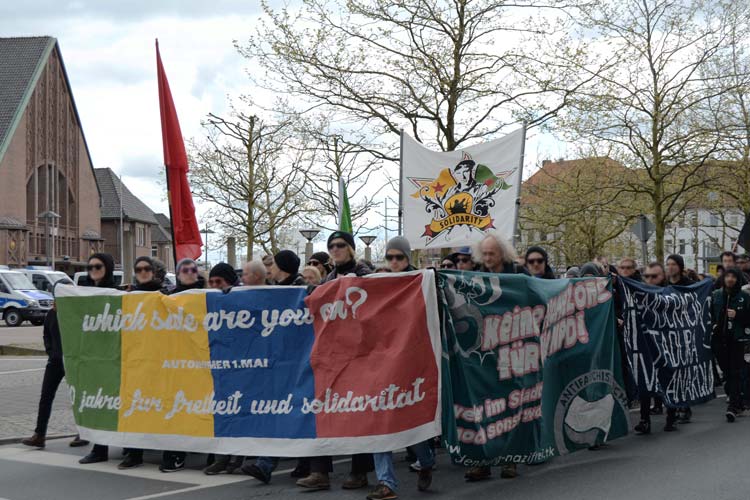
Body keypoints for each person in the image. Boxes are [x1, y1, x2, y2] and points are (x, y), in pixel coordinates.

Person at [297, 231, 374, 491]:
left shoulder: (366, 275)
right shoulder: (328, 279)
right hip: (332, 353)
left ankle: (359, 471)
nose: (335, 249)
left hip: (360, 353)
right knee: (323, 410)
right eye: (331, 246)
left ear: (351, 248)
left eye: (340, 245)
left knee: (357, 413)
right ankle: (320, 472)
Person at [366, 237, 435, 500]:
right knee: (379, 423)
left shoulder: (420, 281)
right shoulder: (377, 284)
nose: (394, 262)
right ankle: (387, 483)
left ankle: (426, 461)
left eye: (399, 257)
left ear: (408, 258)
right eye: (390, 257)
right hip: (381, 364)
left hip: (410, 363)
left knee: (410, 421)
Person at [465, 233, 526, 483]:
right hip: (484, 352)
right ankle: (483, 461)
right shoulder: (473, 278)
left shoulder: (518, 277)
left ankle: (510, 458)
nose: (488, 258)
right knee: (483, 407)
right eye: (485, 254)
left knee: (510, 404)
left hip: (513, 349)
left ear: (502, 253)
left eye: (492, 253)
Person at [244, 250, 309, 485]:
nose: (269, 268)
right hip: (277, 359)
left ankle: (297, 462)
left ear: (282, 267)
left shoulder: (299, 287)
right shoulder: (273, 287)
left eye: (273, 264)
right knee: (278, 411)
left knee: (293, 411)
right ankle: (266, 463)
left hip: (297, 359)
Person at [117, 257, 170, 470]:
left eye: (147, 268)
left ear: (155, 271)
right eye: (138, 269)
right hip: (137, 358)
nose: (142, 272)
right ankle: (134, 453)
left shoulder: (166, 295)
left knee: (163, 407)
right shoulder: (130, 296)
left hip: (161, 359)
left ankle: (168, 450)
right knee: (136, 407)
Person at [21, 296, 89, 449]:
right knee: (46, 396)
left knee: (79, 398)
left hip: (73, 362)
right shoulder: (51, 314)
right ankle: (40, 435)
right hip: (55, 362)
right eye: (55, 299)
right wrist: (51, 351)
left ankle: (84, 433)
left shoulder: (75, 313)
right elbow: (46, 334)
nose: (55, 303)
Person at [77, 254, 119, 465]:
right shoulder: (83, 292)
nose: (93, 269)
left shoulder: (115, 292)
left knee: (112, 403)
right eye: (90, 266)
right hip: (92, 357)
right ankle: (98, 448)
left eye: (98, 266)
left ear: (108, 268)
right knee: (97, 403)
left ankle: (121, 446)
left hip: (112, 357)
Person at [203, 263, 243, 475]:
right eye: (212, 282)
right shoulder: (208, 301)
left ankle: (238, 456)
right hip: (218, 365)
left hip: (241, 366)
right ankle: (223, 457)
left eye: (219, 282)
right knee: (222, 412)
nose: (215, 286)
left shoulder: (242, 299)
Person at [634, 263, 669, 434]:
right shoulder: (639, 294)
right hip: (646, 345)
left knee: (666, 378)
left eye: (654, 276)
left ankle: (671, 415)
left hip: (666, 345)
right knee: (645, 380)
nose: (649, 280)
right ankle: (644, 419)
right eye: (646, 276)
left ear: (663, 276)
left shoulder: (670, 294)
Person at [711, 268, 750, 422]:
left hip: (738, 339)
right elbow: (709, 315)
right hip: (720, 340)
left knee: (735, 372)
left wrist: (738, 315)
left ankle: (733, 406)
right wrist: (714, 326)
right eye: (728, 276)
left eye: (734, 276)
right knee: (727, 373)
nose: (730, 279)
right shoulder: (716, 296)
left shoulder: (745, 297)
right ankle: (738, 401)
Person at [664, 254, 695, 427]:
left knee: (683, 371)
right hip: (668, 334)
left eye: (674, 264)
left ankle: (685, 405)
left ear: (680, 266)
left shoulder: (689, 285)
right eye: (668, 264)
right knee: (671, 371)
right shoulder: (664, 285)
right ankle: (673, 407)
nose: (670, 267)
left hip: (685, 334)